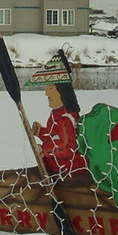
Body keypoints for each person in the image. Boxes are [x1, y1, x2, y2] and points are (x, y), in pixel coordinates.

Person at [26, 55, 90, 184]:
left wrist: (44, 151)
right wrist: (40, 132)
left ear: (62, 92)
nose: (46, 94)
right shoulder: (55, 115)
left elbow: (68, 149)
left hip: (68, 169)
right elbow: (54, 137)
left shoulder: (66, 119)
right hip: (55, 167)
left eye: (50, 88)